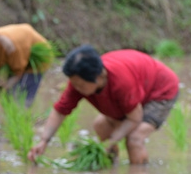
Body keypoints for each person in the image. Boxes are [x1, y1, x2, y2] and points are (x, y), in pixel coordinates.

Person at [27, 44, 180, 165]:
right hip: (137, 89)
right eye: (74, 84)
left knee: (134, 138)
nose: (76, 88)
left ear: (99, 76)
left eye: (81, 85)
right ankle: (111, 170)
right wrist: (44, 141)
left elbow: (134, 118)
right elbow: (60, 111)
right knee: (101, 126)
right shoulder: (79, 82)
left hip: (160, 90)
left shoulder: (121, 82)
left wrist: (112, 140)